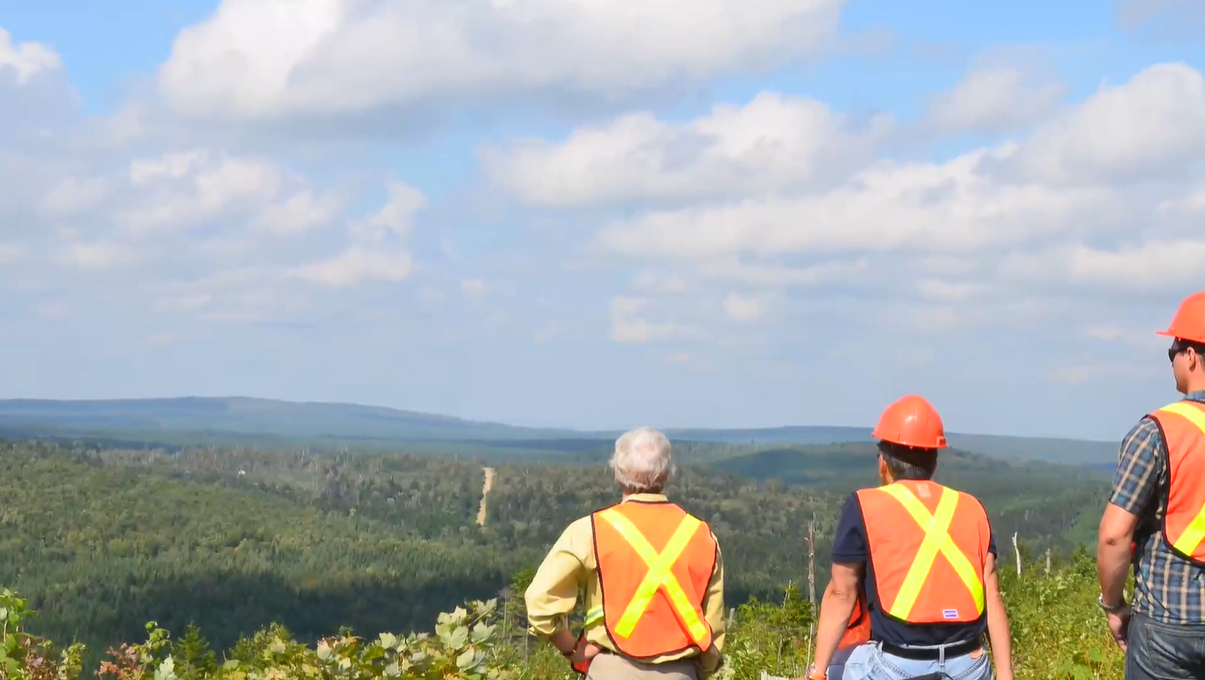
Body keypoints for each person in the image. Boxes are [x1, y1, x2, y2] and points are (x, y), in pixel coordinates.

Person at [801, 395, 1014, 680]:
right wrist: (1005, 674)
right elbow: (993, 597)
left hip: (898, 664)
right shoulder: (972, 507)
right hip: (970, 663)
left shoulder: (864, 505)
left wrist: (817, 672)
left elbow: (842, 593)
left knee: (836, 664)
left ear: (884, 463)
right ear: (934, 462)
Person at [524, 426, 726, 680]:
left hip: (609, 670)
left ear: (617, 472)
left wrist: (573, 649)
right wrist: (696, 671)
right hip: (681, 672)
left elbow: (540, 602)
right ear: (667, 473)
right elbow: (714, 630)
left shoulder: (589, 530)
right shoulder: (703, 536)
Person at [1097, 291, 1205, 678]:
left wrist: (1113, 606)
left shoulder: (1156, 433)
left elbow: (1114, 536)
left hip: (1166, 624)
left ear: (1190, 355)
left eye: (1173, 350)